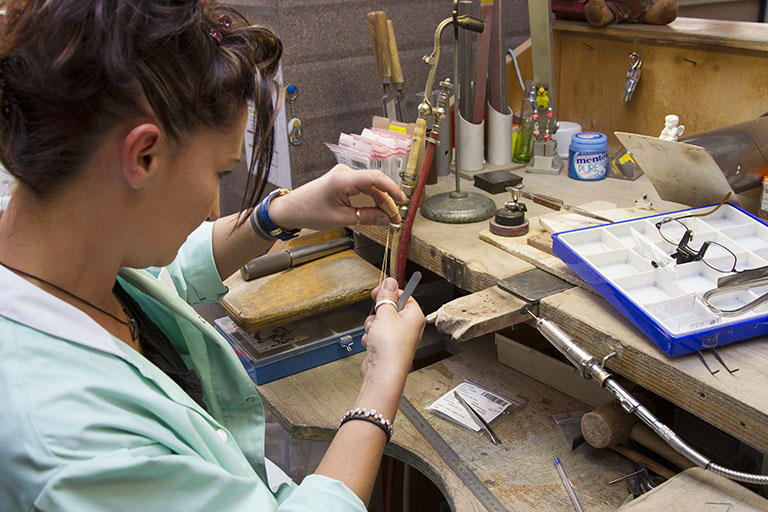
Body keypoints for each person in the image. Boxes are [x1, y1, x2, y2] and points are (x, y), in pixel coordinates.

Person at [0, 1, 425, 510]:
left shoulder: (47, 248)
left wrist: (279, 214)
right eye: (220, 172)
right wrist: (381, 382)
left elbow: (158, 278)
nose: (215, 205)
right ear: (143, 156)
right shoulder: (75, 447)